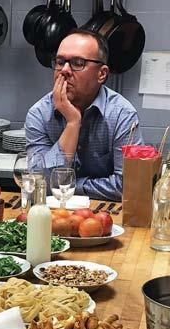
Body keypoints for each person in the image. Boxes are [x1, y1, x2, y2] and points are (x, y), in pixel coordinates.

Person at [25, 29, 143, 202]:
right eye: (60, 62)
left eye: (78, 63)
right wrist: (73, 123)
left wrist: (71, 186)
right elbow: (39, 183)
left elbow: (129, 186)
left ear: (101, 74)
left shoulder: (122, 115)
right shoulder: (39, 114)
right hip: (54, 212)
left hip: (106, 213)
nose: (65, 70)